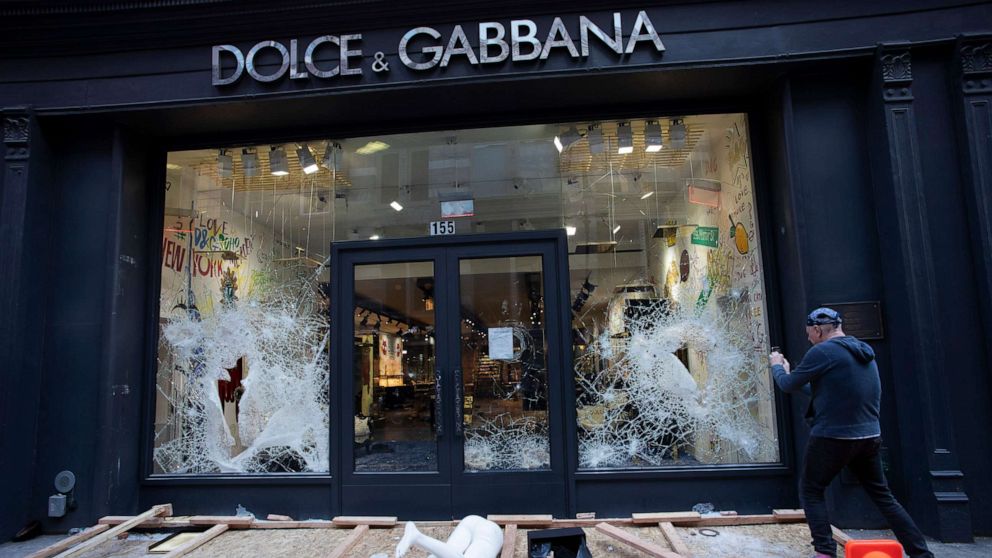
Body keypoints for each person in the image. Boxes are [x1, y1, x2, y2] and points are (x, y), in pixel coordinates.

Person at [770, 307, 934, 558]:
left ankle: (824, 551)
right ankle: (921, 554)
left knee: (811, 490)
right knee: (884, 497)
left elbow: (787, 385)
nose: (808, 339)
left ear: (817, 330)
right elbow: (819, 392)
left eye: (809, 334)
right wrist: (793, 375)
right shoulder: (861, 350)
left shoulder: (822, 351)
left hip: (833, 436)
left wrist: (778, 367)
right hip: (868, 436)